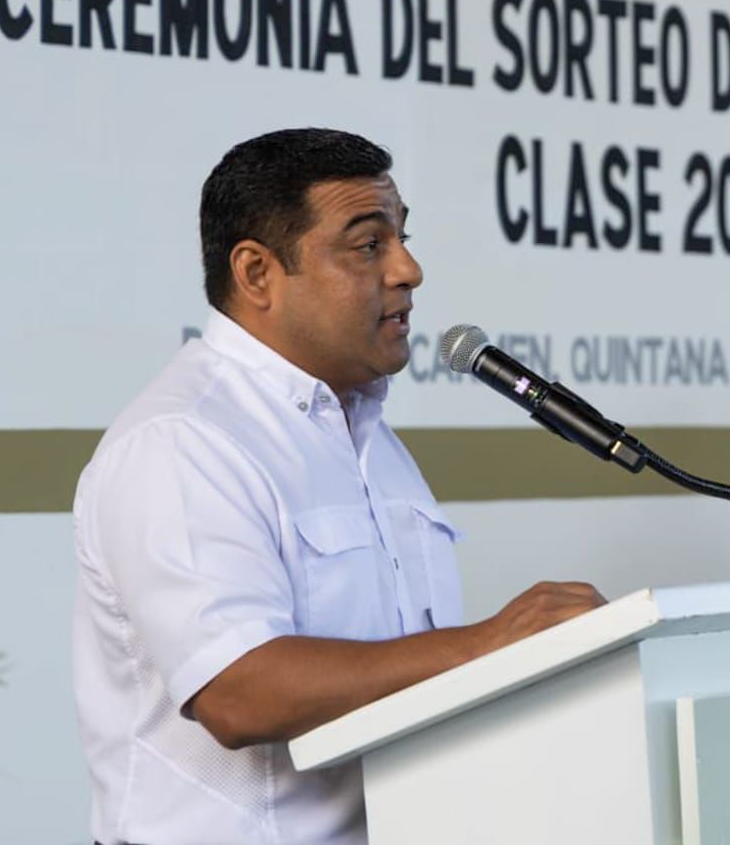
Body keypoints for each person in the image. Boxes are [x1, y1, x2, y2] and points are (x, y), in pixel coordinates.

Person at [72, 129, 605, 845]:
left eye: (403, 238)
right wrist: (487, 643)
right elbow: (238, 691)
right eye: (368, 245)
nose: (409, 270)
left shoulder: (368, 440)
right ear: (257, 273)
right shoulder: (183, 441)